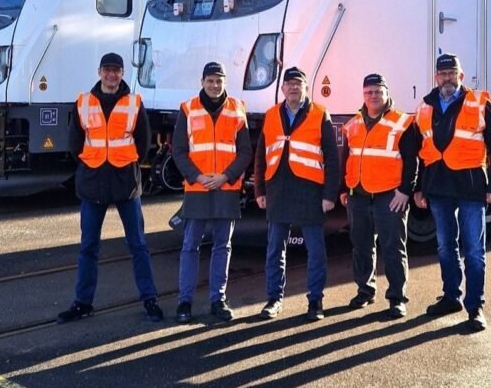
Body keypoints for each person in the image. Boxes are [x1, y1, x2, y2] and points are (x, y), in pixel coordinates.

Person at [57, 52, 163, 324]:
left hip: (125, 183)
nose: (111, 75)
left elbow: (143, 143)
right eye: (107, 70)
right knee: (88, 247)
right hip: (93, 183)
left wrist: (123, 163)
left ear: (122, 73)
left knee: (138, 244)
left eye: (116, 70)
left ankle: (150, 299)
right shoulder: (83, 102)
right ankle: (82, 303)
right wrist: (93, 163)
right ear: (99, 72)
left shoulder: (133, 103)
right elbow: (74, 143)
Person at [410, 53, 491, 332]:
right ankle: (451, 296)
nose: (447, 78)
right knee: (445, 246)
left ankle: (475, 307)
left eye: (452, 73)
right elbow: (417, 151)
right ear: (435, 78)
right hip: (439, 187)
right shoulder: (425, 107)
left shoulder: (479, 103)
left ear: (461, 76)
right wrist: (418, 187)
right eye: (443, 74)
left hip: (470, 186)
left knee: (474, 250)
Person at [254, 66, 341, 322]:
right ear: (283, 89)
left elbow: (332, 158)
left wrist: (329, 195)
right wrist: (259, 189)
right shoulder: (271, 115)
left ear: (306, 88)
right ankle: (273, 299)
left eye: (298, 83)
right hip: (277, 189)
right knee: (274, 249)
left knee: (315, 250)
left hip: (310, 191)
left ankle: (315, 301)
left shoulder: (320, 114)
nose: (293, 87)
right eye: (289, 83)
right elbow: (261, 155)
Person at [172, 61, 252, 324]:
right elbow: (179, 151)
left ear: (225, 82)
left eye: (219, 81)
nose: (215, 85)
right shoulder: (188, 108)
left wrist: (225, 177)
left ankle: (218, 300)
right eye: (210, 81)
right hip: (197, 187)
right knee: (190, 245)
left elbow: (245, 152)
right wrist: (197, 177)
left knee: (222, 245)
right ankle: (185, 301)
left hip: (225, 187)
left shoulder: (238, 110)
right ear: (202, 82)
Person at [340, 73, 415, 319]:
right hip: (358, 195)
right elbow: (345, 159)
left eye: (377, 91)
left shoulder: (402, 122)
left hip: (389, 196)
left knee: (393, 248)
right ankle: (365, 290)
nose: (373, 96)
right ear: (363, 95)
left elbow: (413, 161)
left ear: (386, 93)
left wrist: (405, 191)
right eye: (369, 92)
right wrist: (343, 189)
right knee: (361, 246)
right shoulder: (353, 124)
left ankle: (397, 298)